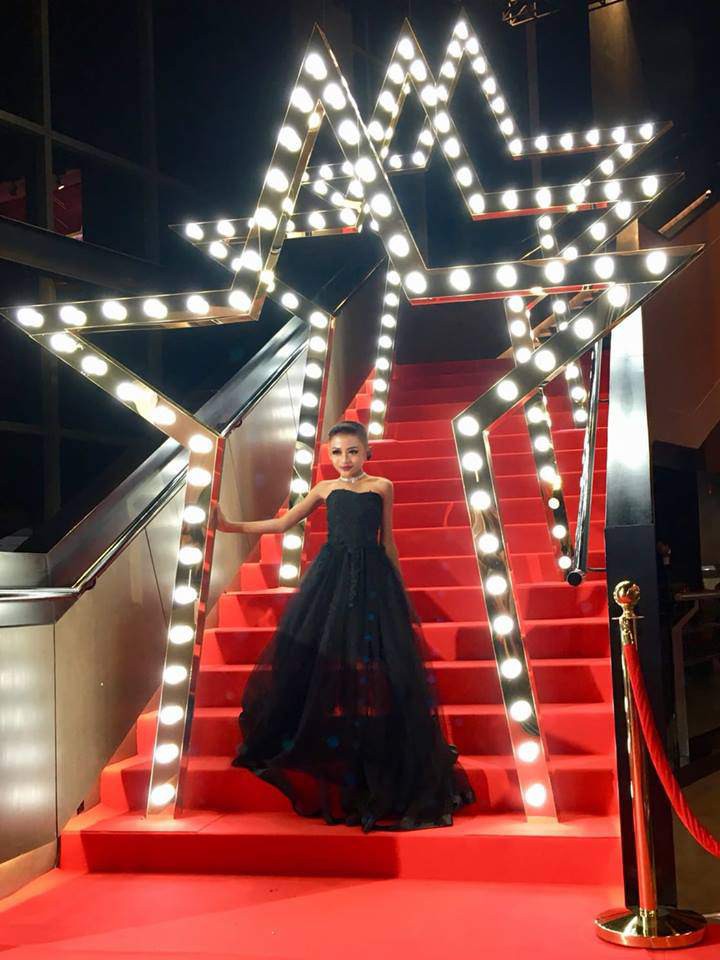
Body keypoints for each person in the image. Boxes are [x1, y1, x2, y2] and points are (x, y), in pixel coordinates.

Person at [215, 420, 476, 832]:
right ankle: (329, 737)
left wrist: (399, 590)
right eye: (336, 452)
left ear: (367, 451)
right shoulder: (324, 489)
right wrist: (229, 526)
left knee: (379, 661)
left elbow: (387, 541)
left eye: (352, 451)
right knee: (321, 656)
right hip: (332, 578)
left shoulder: (382, 487)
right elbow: (283, 524)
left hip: (374, 578)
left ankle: (376, 742)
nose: (344, 459)